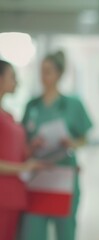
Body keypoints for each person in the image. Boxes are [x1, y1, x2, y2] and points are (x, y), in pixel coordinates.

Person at [19, 51, 93, 240]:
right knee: (32, 232)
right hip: (37, 177)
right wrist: (33, 145)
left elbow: (85, 138)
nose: (44, 76)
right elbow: (23, 141)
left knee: (65, 232)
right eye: (41, 71)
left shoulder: (72, 104)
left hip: (63, 177)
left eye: (49, 71)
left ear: (59, 74)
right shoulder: (32, 105)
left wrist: (72, 143)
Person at [0, 60, 47, 240]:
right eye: (12, 77)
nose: (16, 82)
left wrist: (31, 148)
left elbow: (12, 153)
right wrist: (24, 168)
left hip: (13, 196)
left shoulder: (8, 115)